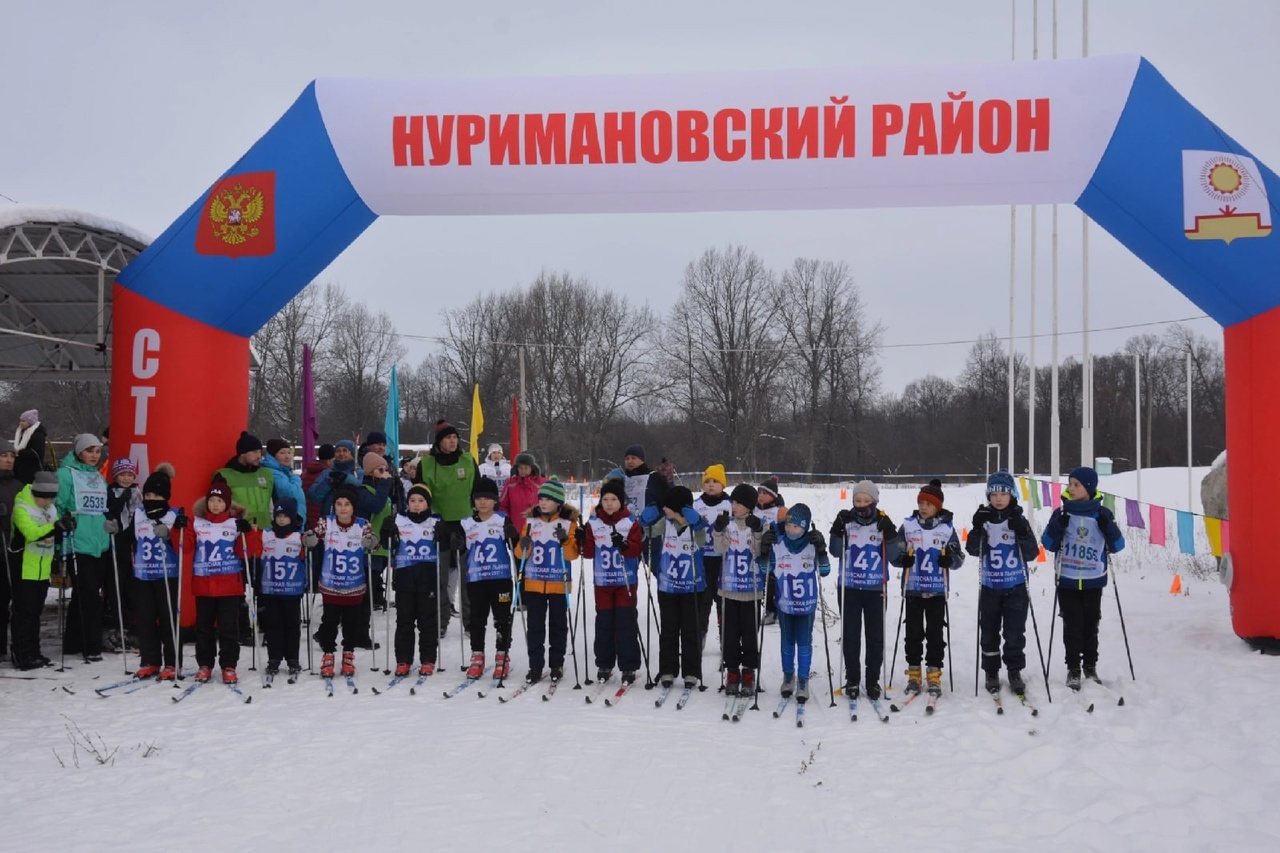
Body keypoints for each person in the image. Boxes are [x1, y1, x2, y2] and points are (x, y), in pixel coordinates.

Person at [1040, 466, 1126, 690]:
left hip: (1093, 579)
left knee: (1090, 625)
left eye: (1077, 485)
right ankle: (1073, 668)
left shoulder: (1102, 514)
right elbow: (1048, 543)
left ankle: (1090, 665)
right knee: (1072, 626)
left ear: (1089, 488)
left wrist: (1108, 528)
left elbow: (1118, 545)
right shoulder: (1062, 513)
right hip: (1067, 578)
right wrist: (1057, 527)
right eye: (1070, 484)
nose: (1071, 488)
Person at [967, 469, 1040, 696]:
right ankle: (991, 671)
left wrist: (1022, 531)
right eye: (994, 494)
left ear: (1012, 495)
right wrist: (977, 528)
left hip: (1016, 586)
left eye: (1004, 494)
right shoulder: (984, 519)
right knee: (989, 632)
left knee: (1014, 632)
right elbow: (972, 550)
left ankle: (1014, 670)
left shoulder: (1018, 519)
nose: (998, 498)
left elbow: (1032, 553)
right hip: (990, 586)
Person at [892, 479, 964, 697]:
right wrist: (902, 559)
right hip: (913, 588)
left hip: (936, 590)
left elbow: (959, 557)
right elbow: (895, 553)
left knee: (935, 633)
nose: (923, 507)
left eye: (929, 504)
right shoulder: (908, 526)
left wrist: (950, 561)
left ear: (938, 506)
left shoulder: (946, 528)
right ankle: (914, 673)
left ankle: (934, 672)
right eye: (921, 503)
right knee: (913, 634)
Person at [829, 480, 900, 700]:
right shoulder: (847, 521)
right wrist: (836, 529)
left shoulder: (882, 522)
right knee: (851, 635)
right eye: (857, 500)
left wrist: (890, 533)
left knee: (875, 636)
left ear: (874, 501)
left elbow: (894, 556)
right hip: (849, 586)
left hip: (875, 587)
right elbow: (835, 551)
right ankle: (852, 678)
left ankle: (872, 679)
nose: (861, 505)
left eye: (866, 500)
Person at [759, 503, 830, 703]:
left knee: (804, 642)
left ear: (805, 527)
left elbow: (825, 571)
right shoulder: (779, 544)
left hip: (806, 605)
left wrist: (822, 550)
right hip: (785, 604)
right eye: (788, 525)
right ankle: (788, 676)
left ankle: (803, 680)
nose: (790, 529)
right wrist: (764, 551)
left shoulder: (811, 544)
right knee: (787, 641)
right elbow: (765, 570)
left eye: (796, 526)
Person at [640, 485, 708, 690]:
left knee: (690, 630)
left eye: (667, 506)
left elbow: (702, 539)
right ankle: (667, 669)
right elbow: (648, 532)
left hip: (692, 587)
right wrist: (644, 522)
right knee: (669, 629)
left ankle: (691, 671)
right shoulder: (665, 523)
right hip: (668, 586)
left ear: (678, 508)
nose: (664, 509)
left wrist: (697, 523)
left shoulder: (696, 525)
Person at [513, 478, 579, 685]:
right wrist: (523, 545)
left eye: (548, 499)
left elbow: (572, 554)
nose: (542, 502)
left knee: (558, 625)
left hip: (558, 582)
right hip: (534, 582)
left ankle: (556, 664)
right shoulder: (531, 522)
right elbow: (520, 554)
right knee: (535, 626)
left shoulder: (568, 524)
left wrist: (565, 540)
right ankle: (535, 665)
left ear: (558, 502)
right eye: (541, 498)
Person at [306, 485, 377, 678]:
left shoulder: (362, 524)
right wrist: (309, 538)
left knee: (351, 622)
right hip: (331, 583)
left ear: (354, 507)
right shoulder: (326, 522)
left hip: (353, 584)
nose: (343, 508)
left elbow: (373, 545)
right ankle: (328, 654)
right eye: (339, 504)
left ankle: (348, 654)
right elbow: (313, 536)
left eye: (347, 504)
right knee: (329, 621)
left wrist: (372, 543)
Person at [415, 420, 478, 634]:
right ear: (439, 441)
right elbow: (420, 494)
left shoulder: (467, 460)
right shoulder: (426, 463)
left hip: (465, 525)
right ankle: (440, 621)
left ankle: (470, 621)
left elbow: (477, 491)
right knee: (439, 578)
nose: (452, 441)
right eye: (447, 437)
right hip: (438, 525)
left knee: (468, 576)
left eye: (454, 437)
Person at [580, 475, 643, 685]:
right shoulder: (594, 522)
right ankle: (604, 663)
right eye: (605, 499)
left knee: (626, 623)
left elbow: (636, 549)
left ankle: (628, 665)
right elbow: (589, 553)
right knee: (604, 623)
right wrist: (581, 538)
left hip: (625, 581)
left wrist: (625, 546)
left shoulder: (630, 521)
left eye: (613, 500)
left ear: (621, 502)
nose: (609, 503)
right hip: (603, 582)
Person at [184, 479, 248, 684]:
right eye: (212, 500)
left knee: (228, 627)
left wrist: (248, 533)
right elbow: (185, 546)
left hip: (229, 585)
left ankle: (229, 664)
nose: (215, 504)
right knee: (204, 627)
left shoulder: (235, 523)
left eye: (220, 501)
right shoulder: (197, 522)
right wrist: (179, 529)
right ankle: (205, 664)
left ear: (227, 503)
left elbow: (245, 552)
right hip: (204, 584)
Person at [57, 433, 110, 662]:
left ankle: (72, 642)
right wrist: (63, 521)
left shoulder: (98, 476)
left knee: (83, 594)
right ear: (79, 452)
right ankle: (92, 646)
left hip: (99, 542)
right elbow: (57, 505)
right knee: (89, 595)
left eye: (97, 451)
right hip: (77, 542)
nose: (94, 455)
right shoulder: (65, 474)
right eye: (89, 451)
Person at [460, 477, 518, 680]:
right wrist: (456, 541)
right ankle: (477, 656)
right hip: (476, 580)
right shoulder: (466, 524)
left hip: (500, 579)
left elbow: (515, 546)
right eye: (478, 498)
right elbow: (459, 547)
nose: (482, 502)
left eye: (487, 498)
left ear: (495, 500)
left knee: (502, 619)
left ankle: (502, 655)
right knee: (477, 619)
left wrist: (514, 536)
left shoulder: (502, 520)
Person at [382, 483, 443, 677]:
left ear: (428, 503)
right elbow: (387, 545)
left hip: (427, 580)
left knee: (428, 622)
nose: (416, 504)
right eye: (412, 500)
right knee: (404, 621)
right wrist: (386, 531)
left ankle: (428, 659)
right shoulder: (398, 520)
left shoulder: (435, 522)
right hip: (405, 579)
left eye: (421, 501)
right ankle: (403, 659)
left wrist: (445, 535)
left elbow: (446, 545)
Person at [711, 483, 765, 696]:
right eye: (732, 502)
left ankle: (749, 671)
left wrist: (758, 531)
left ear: (749, 506)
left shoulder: (759, 524)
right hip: (729, 588)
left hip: (751, 591)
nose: (733, 506)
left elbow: (760, 552)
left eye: (738, 503)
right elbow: (719, 548)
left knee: (750, 634)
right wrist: (718, 530)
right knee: (730, 634)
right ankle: (732, 671)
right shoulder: (728, 524)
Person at [130, 463, 181, 680]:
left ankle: (172, 662)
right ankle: (150, 660)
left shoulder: (175, 515)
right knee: (145, 619)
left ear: (166, 497)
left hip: (167, 575)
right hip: (143, 575)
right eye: (148, 495)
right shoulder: (138, 514)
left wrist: (171, 534)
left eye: (157, 496)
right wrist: (114, 531)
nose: (152, 499)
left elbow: (184, 543)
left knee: (168, 620)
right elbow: (128, 539)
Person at [9, 471, 61, 669]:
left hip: (42, 569)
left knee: (36, 613)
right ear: (35, 493)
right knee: (25, 613)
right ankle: (21, 653)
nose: (47, 501)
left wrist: (63, 528)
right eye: (43, 497)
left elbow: (54, 532)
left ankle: (34, 651)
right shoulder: (22, 507)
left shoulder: (50, 508)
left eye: (50, 498)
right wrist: (55, 527)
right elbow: (31, 533)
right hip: (24, 567)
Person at [260, 497, 306, 679]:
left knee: (292, 625)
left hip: (292, 590)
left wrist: (310, 546)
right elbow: (255, 551)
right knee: (273, 625)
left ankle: (292, 658)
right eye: (278, 515)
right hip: (271, 590)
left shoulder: (298, 537)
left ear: (292, 518)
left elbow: (306, 557)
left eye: (285, 516)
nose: (281, 519)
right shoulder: (266, 535)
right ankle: (274, 658)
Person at [103, 457, 141, 653]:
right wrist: (120, 500)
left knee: (132, 590)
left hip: (131, 545)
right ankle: (118, 627)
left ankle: (132, 627)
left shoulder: (137, 493)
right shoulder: (110, 491)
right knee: (115, 588)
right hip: (115, 544)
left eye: (129, 475)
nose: (126, 478)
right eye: (122, 475)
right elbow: (109, 511)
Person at [692, 464, 730, 653]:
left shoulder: (730, 505)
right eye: (707, 481)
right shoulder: (696, 505)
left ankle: (725, 635)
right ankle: (700, 632)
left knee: (722, 600)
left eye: (715, 481)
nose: (711, 485)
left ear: (723, 484)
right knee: (703, 600)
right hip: (702, 559)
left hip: (723, 560)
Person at [358, 452, 396, 611]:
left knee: (375, 577)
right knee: (369, 579)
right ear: (370, 471)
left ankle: (375, 599)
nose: (385, 473)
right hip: (369, 547)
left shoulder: (381, 489)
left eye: (385, 469)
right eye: (380, 470)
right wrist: (385, 485)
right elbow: (375, 506)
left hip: (381, 544)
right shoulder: (363, 491)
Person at [0, 440, 23, 660]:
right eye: (3, 456)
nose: (8, 460)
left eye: (11, 456)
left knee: (10, 598)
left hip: (13, 548)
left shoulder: (18, 485)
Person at [754, 477, 788, 625]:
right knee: (759, 581)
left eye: (765, 493)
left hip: (774, 553)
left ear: (773, 496)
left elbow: (789, 531)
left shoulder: (780, 511)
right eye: (759, 492)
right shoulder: (754, 509)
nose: (761, 496)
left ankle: (773, 610)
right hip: (756, 551)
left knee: (772, 582)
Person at [498, 452, 545, 527]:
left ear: (531, 468)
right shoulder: (510, 484)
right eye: (520, 468)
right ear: (516, 468)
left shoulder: (541, 483)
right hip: (516, 527)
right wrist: (507, 521)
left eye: (526, 468)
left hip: (538, 527)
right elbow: (502, 506)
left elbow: (550, 504)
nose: (523, 471)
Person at [262, 439, 306, 511]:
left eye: (289, 452)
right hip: (284, 516)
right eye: (282, 453)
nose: (287, 456)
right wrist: (296, 477)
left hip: (293, 515)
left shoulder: (284, 471)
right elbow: (291, 493)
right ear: (273, 456)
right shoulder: (273, 472)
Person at [300, 443, 335, 532]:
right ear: (330, 459)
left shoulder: (305, 473)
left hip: (306, 516)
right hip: (320, 517)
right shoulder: (328, 475)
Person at [13, 408, 47, 484]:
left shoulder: (38, 435)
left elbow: (37, 453)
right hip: (20, 469)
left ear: (30, 422)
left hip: (31, 471)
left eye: (23, 421)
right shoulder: (21, 432)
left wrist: (19, 452)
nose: (20, 423)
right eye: (20, 421)